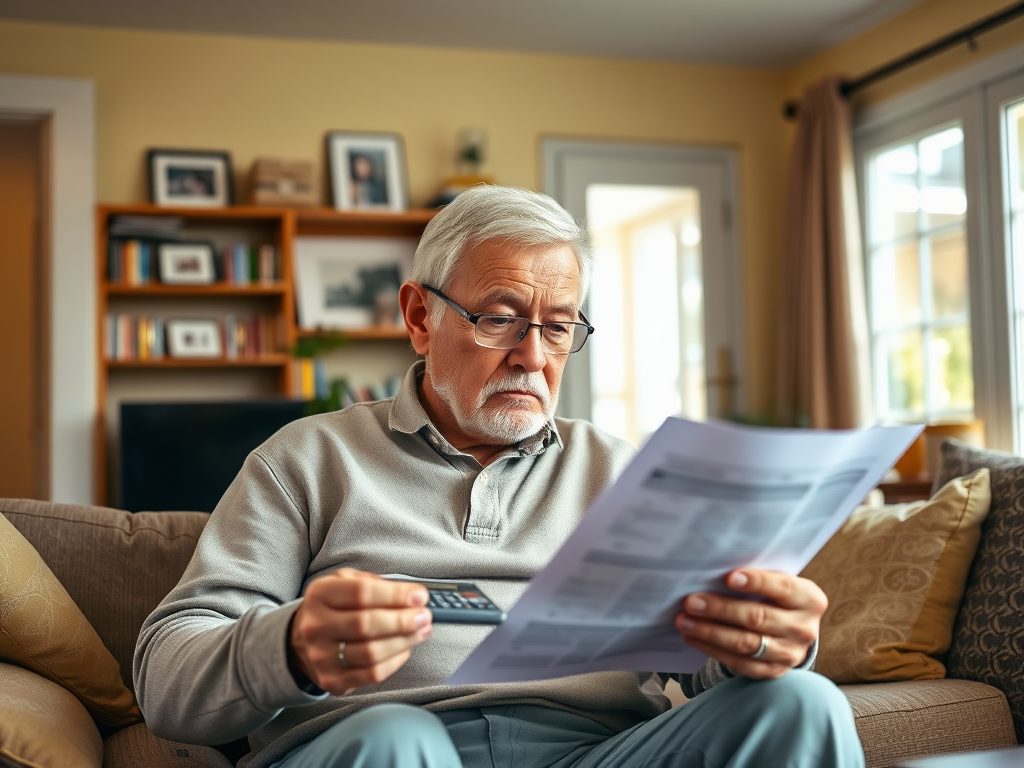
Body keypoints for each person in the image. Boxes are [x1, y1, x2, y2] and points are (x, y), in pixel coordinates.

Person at [134, 185, 864, 768]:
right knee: (396, 742)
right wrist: (290, 647)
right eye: (500, 318)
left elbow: (703, 673)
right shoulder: (306, 459)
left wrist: (762, 642)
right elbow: (167, 678)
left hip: (594, 751)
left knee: (803, 703)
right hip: (382, 746)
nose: (532, 357)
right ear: (421, 316)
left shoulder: (621, 469)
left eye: (557, 327)